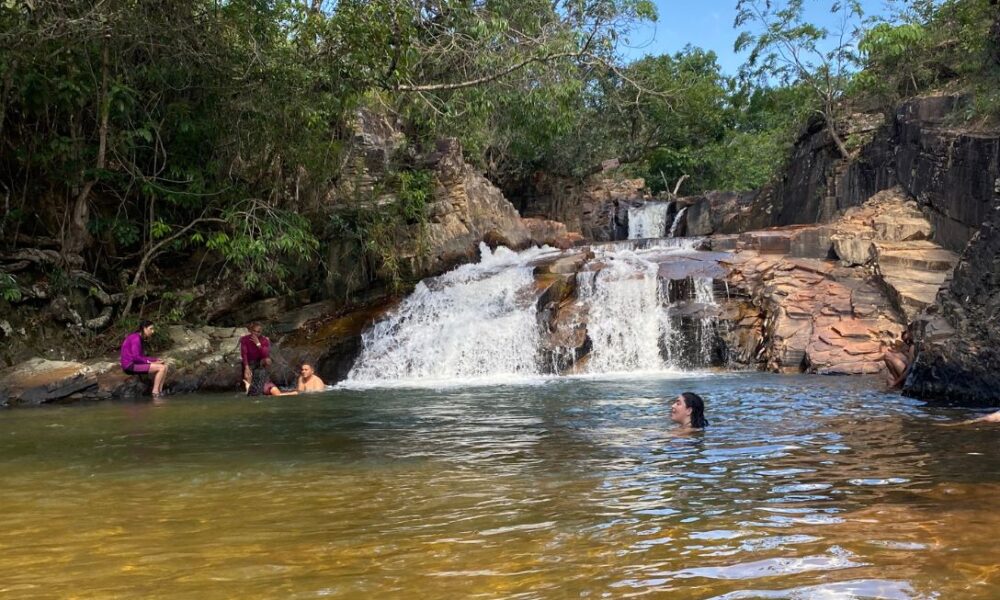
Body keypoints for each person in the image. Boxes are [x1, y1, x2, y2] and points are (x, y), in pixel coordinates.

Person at [120, 320, 168, 399]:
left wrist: (155, 360)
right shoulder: (136, 338)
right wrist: (152, 362)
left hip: (135, 363)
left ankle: (160, 390)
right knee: (161, 368)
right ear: (144, 328)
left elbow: (141, 356)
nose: (153, 331)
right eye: (151, 329)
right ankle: (155, 392)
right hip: (130, 366)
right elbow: (136, 358)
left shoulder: (139, 338)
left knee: (165, 366)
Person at [240, 322, 271, 391]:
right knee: (248, 376)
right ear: (251, 331)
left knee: (268, 360)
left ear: (261, 332)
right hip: (249, 362)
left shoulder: (265, 340)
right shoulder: (244, 339)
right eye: (254, 331)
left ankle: (266, 378)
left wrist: (258, 344)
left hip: (260, 361)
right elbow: (244, 354)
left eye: (258, 332)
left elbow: (265, 355)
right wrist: (246, 368)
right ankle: (249, 388)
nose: (256, 333)